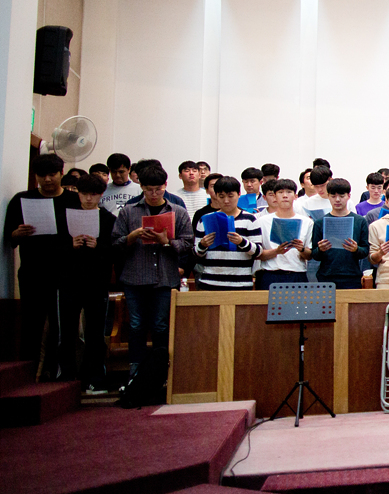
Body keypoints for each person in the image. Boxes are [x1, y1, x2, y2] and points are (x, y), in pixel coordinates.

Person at [111, 162, 193, 380]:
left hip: (165, 278)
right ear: (142, 188)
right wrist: (132, 237)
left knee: (161, 326)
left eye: (159, 189)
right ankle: (136, 374)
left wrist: (167, 241)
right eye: (149, 190)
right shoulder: (129, 211)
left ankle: (160, 373)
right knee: (136, 325)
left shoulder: (178, 211)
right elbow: (115, 244)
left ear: (165, 185)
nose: (154, 194)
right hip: (135, 277)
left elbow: (188, 244)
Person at [4, 153, 81, 379]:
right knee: (31, 323)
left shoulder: (73, 200)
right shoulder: (21, 199)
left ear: (61, 173)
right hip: (32, 271)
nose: (47, 179)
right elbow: (9, 236)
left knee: (62, 324)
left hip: (65, 272)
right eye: (41, 175)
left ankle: (57, 372)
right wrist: (17, 233)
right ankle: (27, 375)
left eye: (52, 174)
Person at [60, 174, 116, 389]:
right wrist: (70, 246)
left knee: (95, 331)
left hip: (97, 282)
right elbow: (55, 249)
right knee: (67, 330)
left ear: (101, 195)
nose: (89, 199)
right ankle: (67, 374)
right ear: (78, 193)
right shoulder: (66, 215)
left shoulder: (108, 219)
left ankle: (94, 376)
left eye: (94, 194)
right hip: (69, 280)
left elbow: (116, 251)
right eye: (84, 194)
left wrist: (98, 246)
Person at [192, 176, 263, 290]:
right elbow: (196, 254)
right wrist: (202, 245)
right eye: (221, 196)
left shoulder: (250, 219)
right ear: (216, 196)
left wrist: (242, 242)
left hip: (240, 283)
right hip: (210, 282)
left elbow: (258, 252)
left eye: (230, 196)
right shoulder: (205, 220)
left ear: (239, 194)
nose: (226, 201)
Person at [253, 178, 312, 289]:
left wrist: (302, 249)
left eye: (289, 192)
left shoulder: (306, 222)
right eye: (280, 192)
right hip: (270, 274)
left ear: (295, 196)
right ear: (275, 197)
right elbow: (257, 254)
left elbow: (309, 255)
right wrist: (276, 251)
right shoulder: (262, 221)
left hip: (297, 273)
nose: (285, 196)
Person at [311, 178, 369, 289]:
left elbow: (365, 251)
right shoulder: (320, 222)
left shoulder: (359, 221)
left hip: (352, 276)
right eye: (333, 196)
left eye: (342, 196)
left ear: (349, 196)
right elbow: (314, 254)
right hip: (326, 276)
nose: (337, 200)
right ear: (328, 196)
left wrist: (356, 249)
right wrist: (320, 249)